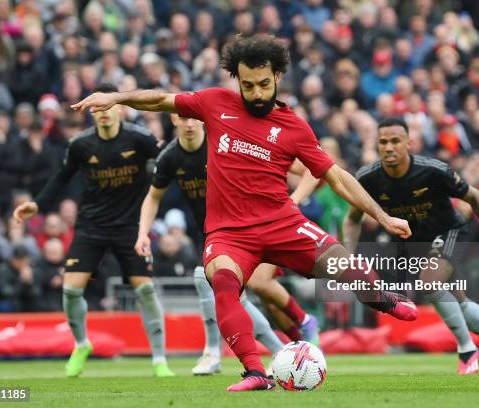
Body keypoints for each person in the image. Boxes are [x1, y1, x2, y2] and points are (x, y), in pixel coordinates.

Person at [72, 35, 417, 392]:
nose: (255, 93)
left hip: (283, 223)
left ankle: (383, 298)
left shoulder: (294, 126)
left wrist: (383, 216)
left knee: (345, 267)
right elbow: (161, 99)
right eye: (247, 84)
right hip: (229, 233)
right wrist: (116, 97)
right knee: (221, 279)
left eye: (263, 84)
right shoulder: (215, 103)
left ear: (278, 76)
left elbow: (336, 177)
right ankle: (255, 372)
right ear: (237, 78)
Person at [135, 113, 320, 375]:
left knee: (233, 285)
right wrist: (143, 233)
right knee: (238, 297)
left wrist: (293, 200)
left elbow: (308, 169)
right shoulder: (170, 157)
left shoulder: (225, 142)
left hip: (250, 226)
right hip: (214, 234)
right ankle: (284, 348)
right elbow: (153, 197)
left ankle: (296, 326)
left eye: (193, 118)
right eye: (182, 118)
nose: (189, 123)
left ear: (202, 119)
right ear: (174, 120)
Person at [13, 83, 174, 378]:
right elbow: (61, 178)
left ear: (120, 108)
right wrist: (36, 206)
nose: (102, 113)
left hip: (130, 226)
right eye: (97, 108)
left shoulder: (140, 138)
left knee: (146, 290)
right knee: (71, 289)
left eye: (107, 106)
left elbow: (169, 161)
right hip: (91, 225)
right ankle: (81, 344)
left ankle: (159, 359)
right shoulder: (80, 144)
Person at [344, 117, 479, 375]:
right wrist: (348, 258)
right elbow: (352, 218)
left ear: (408, 143)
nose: (388, 147)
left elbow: (477, 197)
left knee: (429, 283)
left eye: (395, 141)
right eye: (383, 142)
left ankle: (467, 350)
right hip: (415, 244)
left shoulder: (433, 170)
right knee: (458, 302)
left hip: (448, 231)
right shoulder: (368, 178)